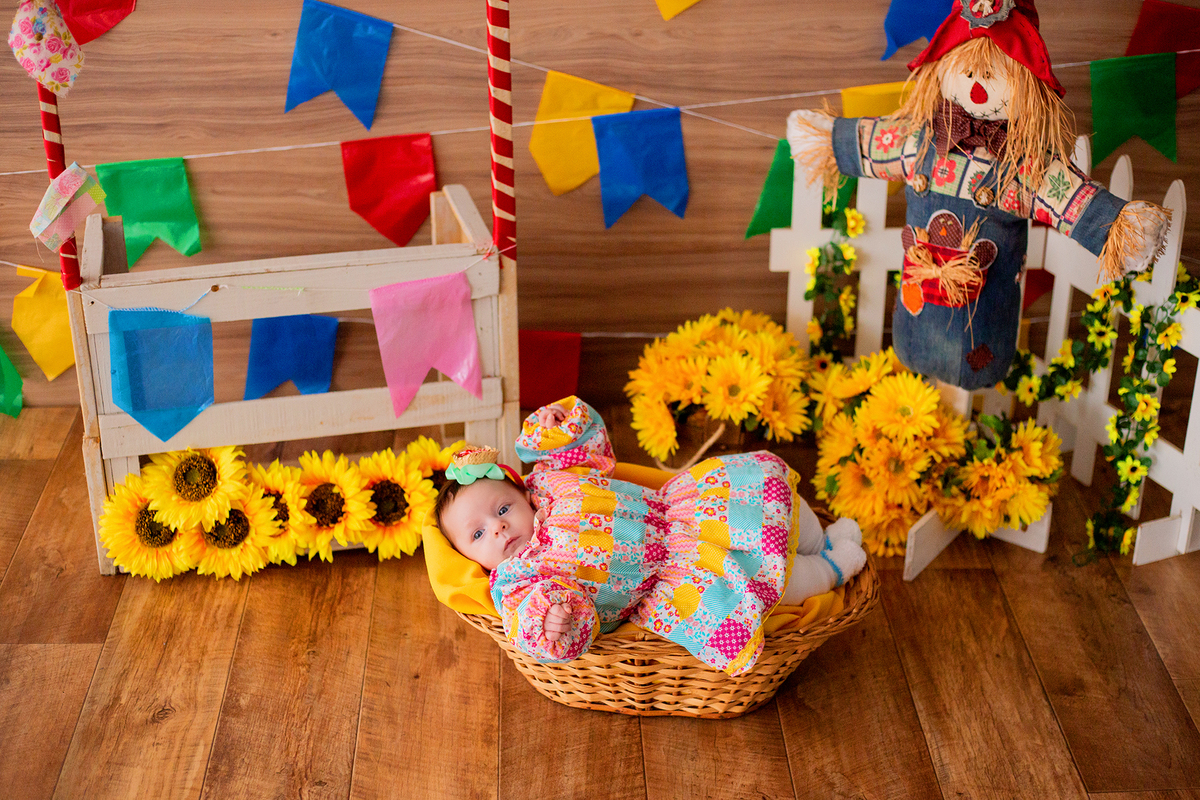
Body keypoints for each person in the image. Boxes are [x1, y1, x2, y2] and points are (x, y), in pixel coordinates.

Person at [433, 396, 866, 677]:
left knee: (765, 489)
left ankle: (819, 539)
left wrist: (558, 427)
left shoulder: (550, 481)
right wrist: (550, 621)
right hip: (675, 579)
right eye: (477, 534)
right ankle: (829, 567)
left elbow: (589, 453)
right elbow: (546, 628)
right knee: (766, 584)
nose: (499, 527)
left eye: (503, 508)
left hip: (682, 509)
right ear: (468, 555)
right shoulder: (520, 583)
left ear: (522, 494)